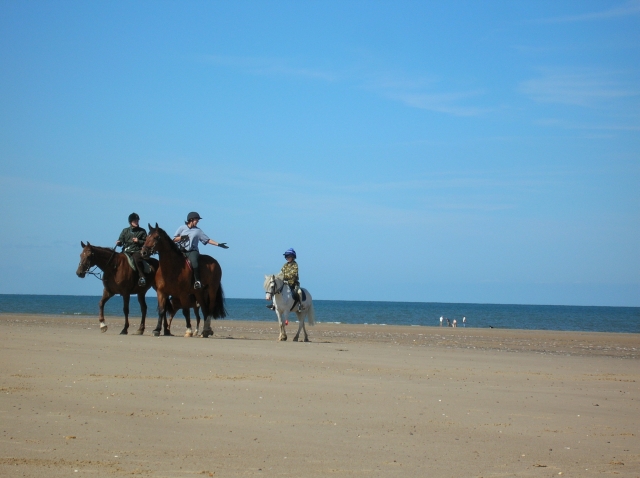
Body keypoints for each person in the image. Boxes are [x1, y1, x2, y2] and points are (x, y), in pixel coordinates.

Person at [173, 212, 228, 289]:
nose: (198, 221)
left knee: (194, 262)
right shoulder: (182, 228)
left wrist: (218, 244)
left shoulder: (198, 231)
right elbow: (174, 239)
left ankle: (197, 281)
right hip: (181, 250)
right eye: (196, 220)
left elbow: (207, 240)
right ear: (191, 220)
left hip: (192, 251)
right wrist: (182, 237)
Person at [267, 248, 304, 312]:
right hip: (284, 282)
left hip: (293, 283)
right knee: (276, 289)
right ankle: (273, 304)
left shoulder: (295, 265)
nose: (287, 258)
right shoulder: (285, 265)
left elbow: (293, 274)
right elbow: (281, 272)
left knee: (299, 292)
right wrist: (277, 277)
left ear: (292, 257)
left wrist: (284, 277)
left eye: (288, 256)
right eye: (286, 257)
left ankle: (300, 305)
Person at [116, 213, 147, 286]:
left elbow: (146, 243)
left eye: (137, 220)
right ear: (130, 222)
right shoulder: (125, 231)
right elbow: (121, 240)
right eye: (135, 221)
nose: (137, 222)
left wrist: (138, 241)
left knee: (137, 259)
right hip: (125, 251)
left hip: (136, 251)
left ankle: (142, 277)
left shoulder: (142, 231)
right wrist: (119, 242)